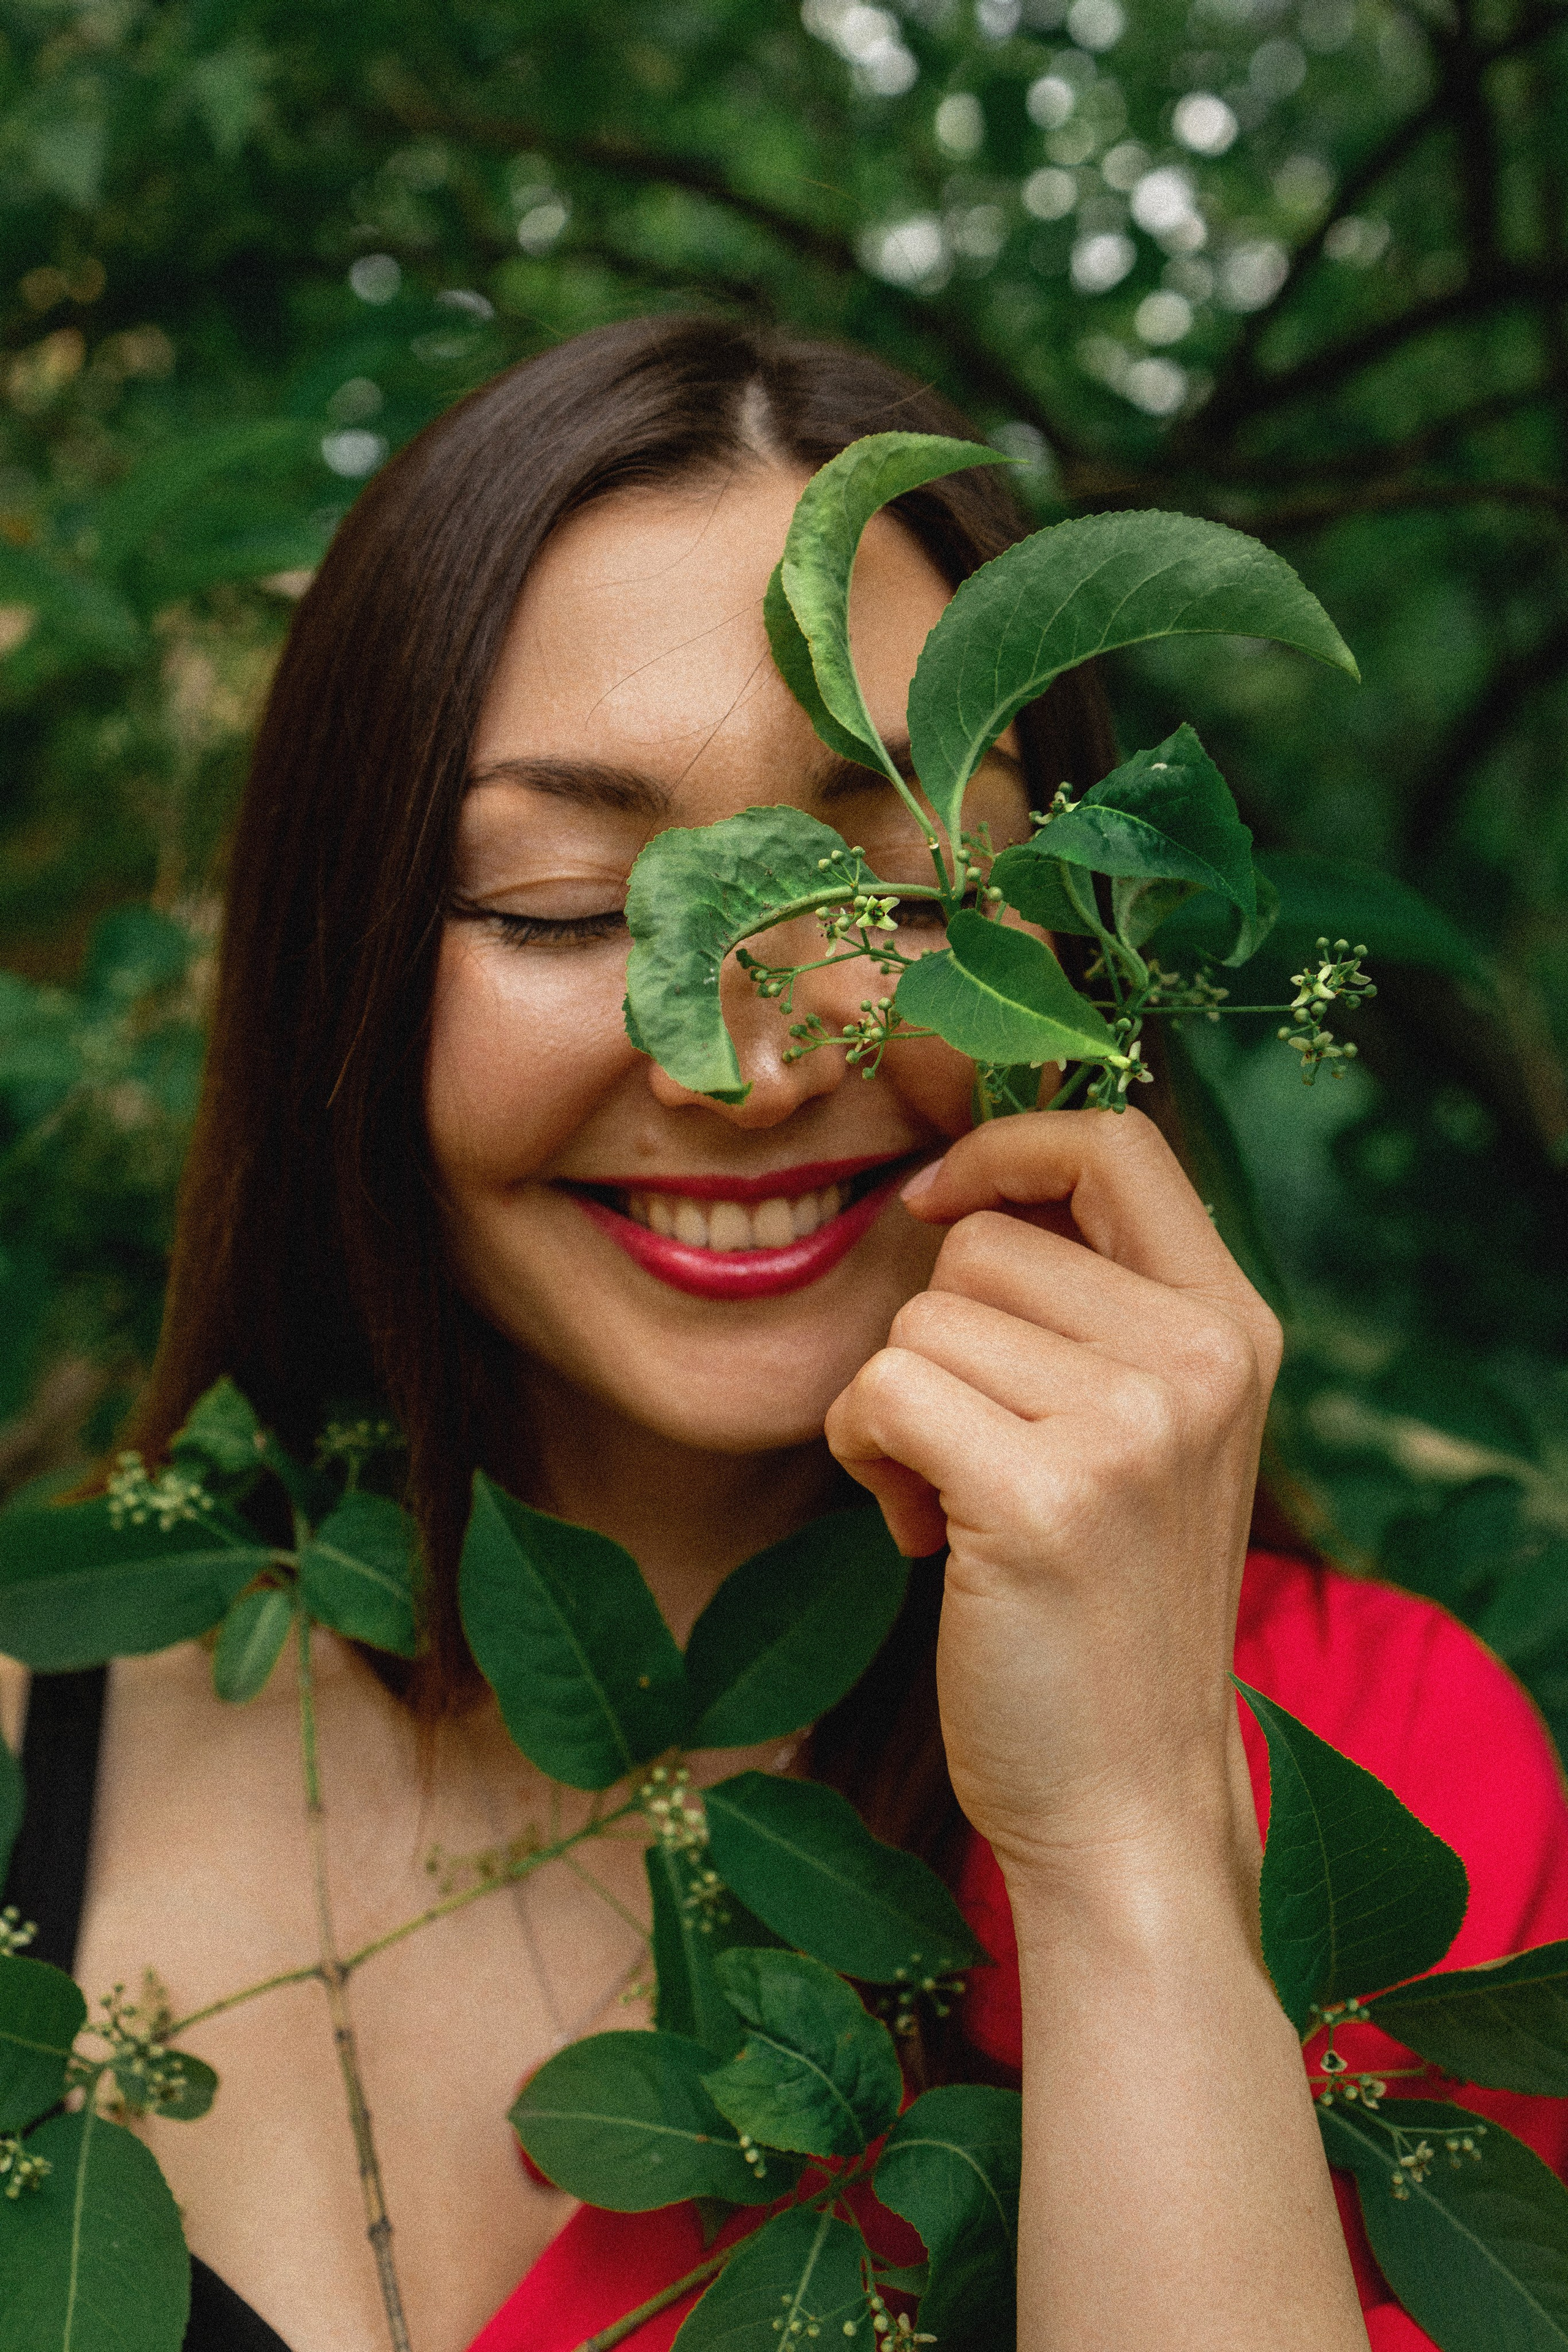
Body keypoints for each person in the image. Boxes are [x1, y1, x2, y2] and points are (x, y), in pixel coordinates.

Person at [7, 316, 1568, 2352]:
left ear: (1085, 949)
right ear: (341, 965)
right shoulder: (38, 1731)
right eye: (567, 903)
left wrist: (1128, 1858)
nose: (751, 1066)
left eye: (907, 896)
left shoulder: (1375, 1761)